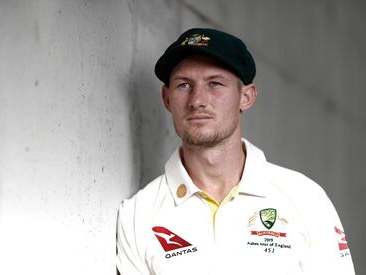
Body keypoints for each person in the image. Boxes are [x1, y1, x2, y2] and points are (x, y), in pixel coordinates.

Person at [116, 28, 355, 275]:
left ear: (246, 97)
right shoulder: (138, 214)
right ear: (167, 99)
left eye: (215, 84)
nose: (197, 100)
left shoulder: (305, 198)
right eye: (183, 85)